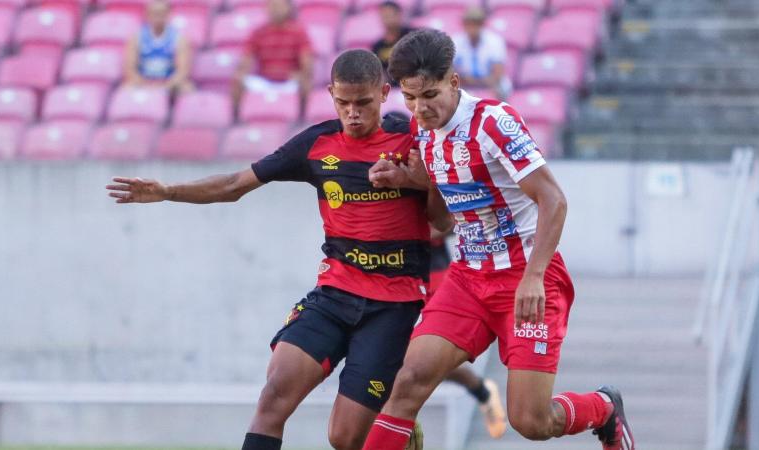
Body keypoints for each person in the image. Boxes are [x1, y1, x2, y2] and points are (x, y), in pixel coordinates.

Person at [107, 49, 449, 450]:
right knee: (274, 395)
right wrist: (169, 192)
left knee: (343, 437)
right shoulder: (317, 144)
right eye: (343, 103)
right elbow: (236, 184)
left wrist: (421, 182)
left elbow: (443, 222)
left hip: (393, 304)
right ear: (330, 95)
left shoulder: (416, 141)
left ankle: (402, 434)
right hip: (335, 294)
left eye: (363, 103)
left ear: (384, 93)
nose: (353, 113)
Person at [361, 29, 634, 450]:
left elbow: (554, 200)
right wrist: (415, 182)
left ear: (453, 81)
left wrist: (534, 277)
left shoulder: (492, 122)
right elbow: (443, 222)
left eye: (429, 95)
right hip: (468, 279)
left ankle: (603, 408)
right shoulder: (423, 133)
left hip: (527, 278)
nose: (420, 108)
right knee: (408, 381)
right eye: (410, 98)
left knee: (530, 421)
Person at [428, 227, 507, 439]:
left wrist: (417, 231)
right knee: (400, 362)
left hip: (433, 271)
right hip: (389, 271)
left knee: (432, 360)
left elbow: (455, 220)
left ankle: (481, 390)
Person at [233, 0, 314, 113]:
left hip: (289, 82)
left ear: (288, 8)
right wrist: (242, 71)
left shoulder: (298, 32)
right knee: (238, 80)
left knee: (305, 82)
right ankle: (236, 120)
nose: (275, 9)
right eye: (272, 5)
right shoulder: (259, 32)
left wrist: (301, 74)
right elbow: (247, 57)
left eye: (279, 5)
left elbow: (307, 60)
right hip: (264, 80)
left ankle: (302, 120)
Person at [123, 0, 194, 95]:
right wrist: (144, 84)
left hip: (169, 82)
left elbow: (182, 70)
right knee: (126, 89)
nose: (158, 17)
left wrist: (167, 85)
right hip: (144, 81)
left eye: (162, 13)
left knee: (187, 89)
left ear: (169, 15)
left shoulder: (179, 38)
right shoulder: (136, 38)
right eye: (155, 13)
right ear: (147, 15)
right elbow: (130, 68)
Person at [451, 7, 510, 100]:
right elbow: (451, 70)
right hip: (464, 83)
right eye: (469, 23)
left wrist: (478, 81)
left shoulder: (495, 41)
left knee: (503, 88)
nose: (472, 27)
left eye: (476, 23)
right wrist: (466, 80)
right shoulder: (456, 41)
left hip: (490, 83)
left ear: (482, 24)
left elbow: (498, 73)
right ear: (464, 24)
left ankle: (500, 112)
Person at [371, 1, 414, 86]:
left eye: (390, 15)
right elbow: (379, 71)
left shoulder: (413, 37)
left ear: (399, 15)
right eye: (384, 16)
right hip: (391, 88)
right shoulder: (377, 46)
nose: (387, 19)